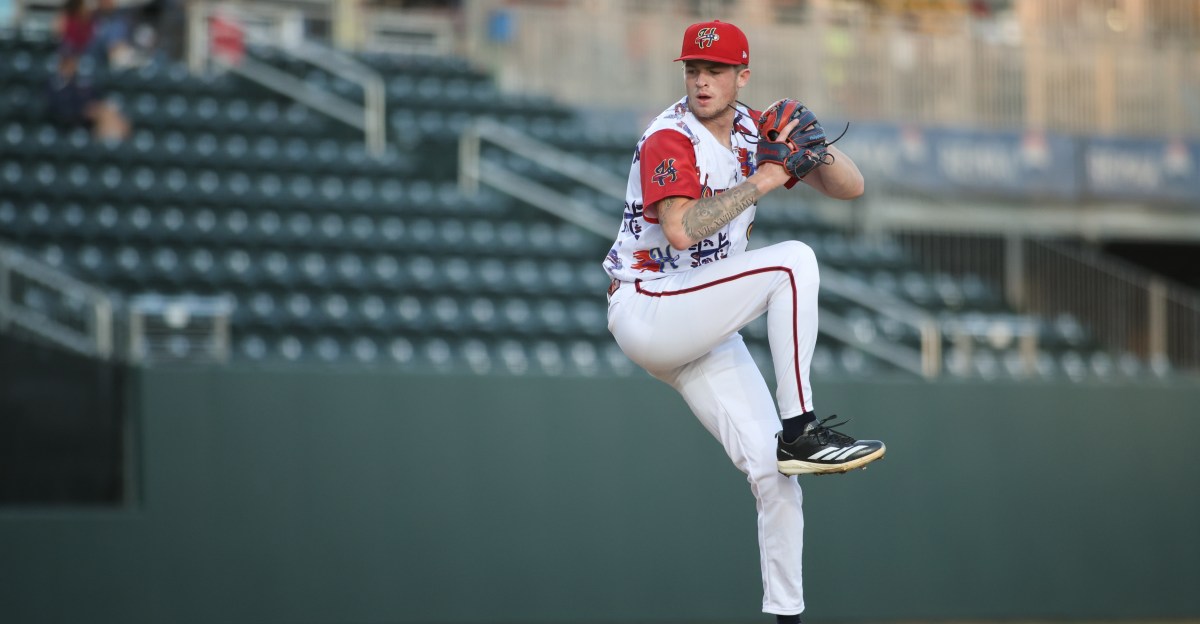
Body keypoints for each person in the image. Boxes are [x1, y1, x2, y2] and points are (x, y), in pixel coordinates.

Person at [603, 20, 885, 624]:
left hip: (700, 322)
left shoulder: (757, 128)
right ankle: (802, 425)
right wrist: (769, 177)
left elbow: (851, 187)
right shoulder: (668, 136)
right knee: (793, 263)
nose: (702, 81)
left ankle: (786, 615)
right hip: (650, 305)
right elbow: (680, 229)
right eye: (693, 70)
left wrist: (814, 148)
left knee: (775, 474)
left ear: (741, 76)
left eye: (716, 71)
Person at [45, 52, 131, 142]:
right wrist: (85, 111)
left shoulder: (80, 82)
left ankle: (112, 141)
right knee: (104, 112)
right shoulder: (54, 85)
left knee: (110, 112)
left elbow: (96, 97)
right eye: (68, 63)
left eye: (73, 63)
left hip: (88, 119)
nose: (72, 66)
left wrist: (94, 108)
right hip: (70, 121)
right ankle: (110, 143)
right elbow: (59, 108)